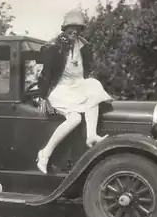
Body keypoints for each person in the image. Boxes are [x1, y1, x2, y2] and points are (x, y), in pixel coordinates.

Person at [36, 9, 112, 174]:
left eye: (78, 28)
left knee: (93, 87)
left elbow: (88, 69)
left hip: (77, 85)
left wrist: (85, 82)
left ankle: (91, 135)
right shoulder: (54, 46)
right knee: (75, 119)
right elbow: (46, 72)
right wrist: (42, 96)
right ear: (65, 28)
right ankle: (45, 154)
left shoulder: (83, 45)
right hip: (60, 88)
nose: (74, 31)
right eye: (71, 27)